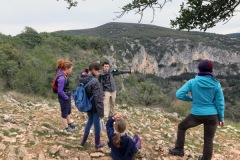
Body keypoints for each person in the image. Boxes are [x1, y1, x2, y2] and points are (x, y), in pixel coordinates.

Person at [169, 59, 225, 160]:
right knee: (208, 140)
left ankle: (179, 150)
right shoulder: (216, 85)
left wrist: (191, 98)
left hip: (196, 115)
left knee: (181, 127)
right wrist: (221, 118)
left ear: (199, 70)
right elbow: (220, 103)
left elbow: (179, 94)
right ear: (211, 71)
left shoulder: (192, 82)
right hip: (212, 116)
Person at [79, 62, 105, 148]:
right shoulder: (94, 82)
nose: (99, 73)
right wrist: (101, 113)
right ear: (93, 70)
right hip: (94, 105)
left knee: (90, 120)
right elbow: (98, 100)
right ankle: (97, 143)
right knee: (96, 123)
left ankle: (83, 141)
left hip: (87, 103)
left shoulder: (82, 77)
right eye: (98, 71)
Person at [56, 59, 76, 133]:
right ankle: (66, 128)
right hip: (64, 97)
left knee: (68, 111)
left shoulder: (63, 75)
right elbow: (60, 91)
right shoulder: (61, 78)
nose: (71, 70)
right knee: (64, 113)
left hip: (66, 96)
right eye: (71, 69)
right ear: (67, 69)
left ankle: (69, 122)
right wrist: (66, 97)